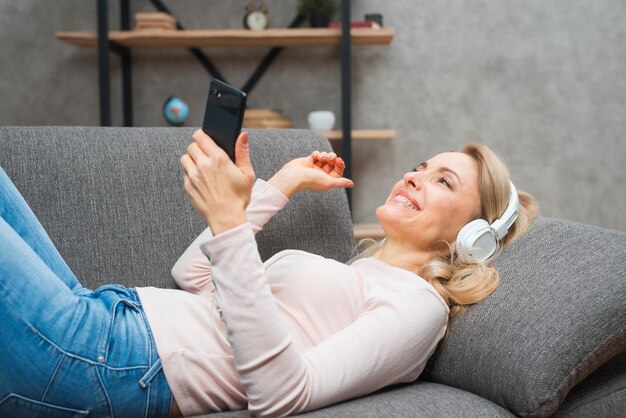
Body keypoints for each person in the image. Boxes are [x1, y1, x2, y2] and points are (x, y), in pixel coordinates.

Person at [0, 129, 537, 417]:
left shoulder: (419, 308)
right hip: (101, 318)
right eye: (421, 167)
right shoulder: (359, 270)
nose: (415, 177)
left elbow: (283, 395)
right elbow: (194, 275)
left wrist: (230, 221)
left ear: (475, 235)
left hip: (108, 359)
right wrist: (280, 184)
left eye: (444, 182)